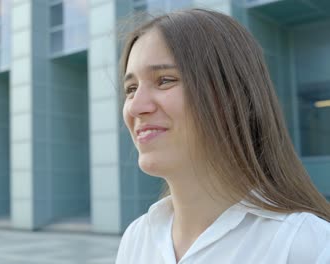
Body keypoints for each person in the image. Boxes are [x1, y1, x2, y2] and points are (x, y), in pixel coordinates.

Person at [116, 8, 330, 264]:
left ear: (233, 97)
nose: (136, 106)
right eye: (131, 88)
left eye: (164, 80)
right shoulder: (136, 238)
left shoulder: (307, 246)